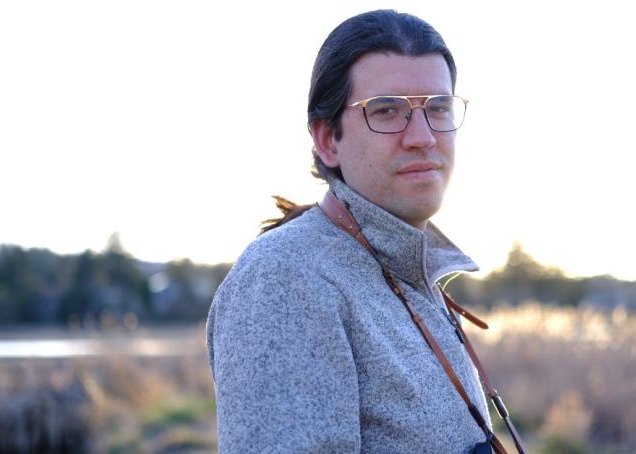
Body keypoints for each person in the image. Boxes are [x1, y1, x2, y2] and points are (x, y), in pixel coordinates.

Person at [206, 10, 521, 453]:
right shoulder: (287, 278)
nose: (423, 136)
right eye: (387, 110)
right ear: (327, 139)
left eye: (438, 108)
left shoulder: (409, 270)